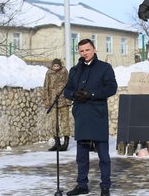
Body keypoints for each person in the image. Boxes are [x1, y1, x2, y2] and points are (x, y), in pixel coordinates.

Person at [64, 39, 117, 196]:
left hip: (97, 115)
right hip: (81, 115)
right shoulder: (75, 69)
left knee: (103, 155)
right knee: (81, 154)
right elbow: (67, 89)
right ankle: (82, 185)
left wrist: (92, 95)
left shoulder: (104, 68)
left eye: (87, 50)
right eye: (81, 51)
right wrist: (74, 94)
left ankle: (105, 186)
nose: (84, 53)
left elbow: (111, 88)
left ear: (94, 49)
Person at [42, 58, 72, 151]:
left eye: (57, 66)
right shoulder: (48, 73)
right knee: (53, 122)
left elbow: (69, 85)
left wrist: (69, 99)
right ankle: (57, 142)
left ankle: (66, 143)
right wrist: (46, 101)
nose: (56, 67)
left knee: (65, 122)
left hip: (63, 101)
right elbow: (45, 87)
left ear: (60, 66)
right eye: (54, 66)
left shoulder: (64, 72)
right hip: (53, 102)